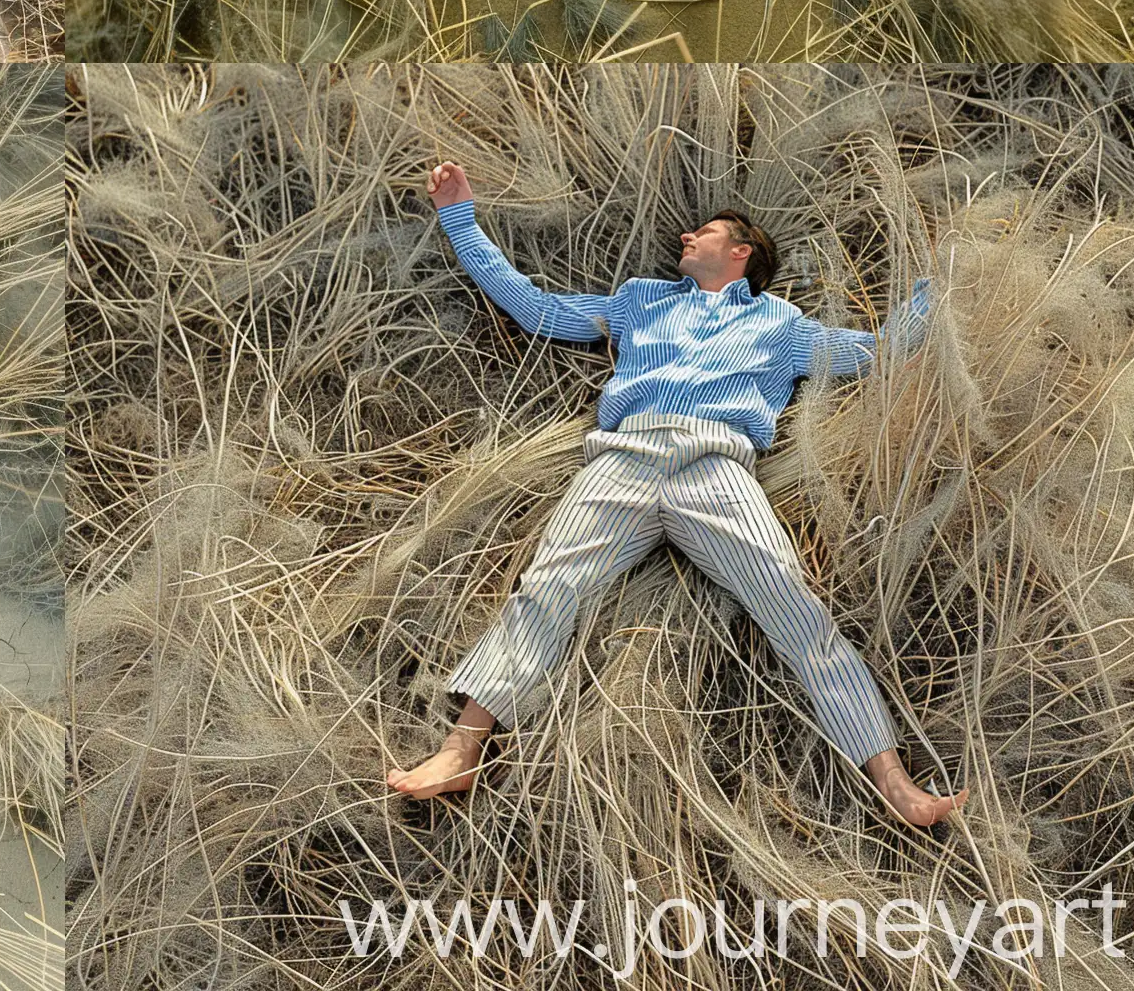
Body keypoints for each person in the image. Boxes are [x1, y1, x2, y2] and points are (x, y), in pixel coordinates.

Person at [386, 162, 965, 828]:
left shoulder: (783, 326)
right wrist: (460, 215)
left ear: (742, 253)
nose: (688, 235)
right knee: (547, 589)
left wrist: (938, 287)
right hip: (623, 457)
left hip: (716, 465)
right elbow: (538, 308)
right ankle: (459, 752)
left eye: (707, 232)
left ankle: (893, 781)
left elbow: (880, 352)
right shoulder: (641, 302)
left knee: (792, 604)